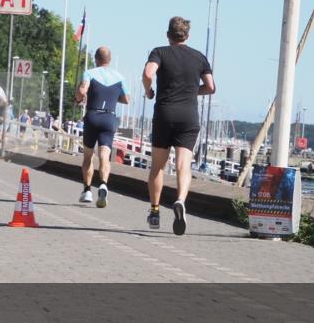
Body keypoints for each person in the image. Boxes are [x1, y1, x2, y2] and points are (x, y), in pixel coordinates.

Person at [142, 16, 215, 234]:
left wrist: (148, 91)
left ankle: (155, 211)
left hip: (165, 113)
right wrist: (193, 90)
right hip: (189, 117)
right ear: (187, 35)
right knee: (184, 165)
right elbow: (211, 87)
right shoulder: (199, 57)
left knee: (158, 166)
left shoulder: (160, 52)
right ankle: (181, 200)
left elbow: (148, 73)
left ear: (168, 35)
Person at [74, 47, 130, 207]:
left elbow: (82, 90)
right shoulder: (119, 77)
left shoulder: (90, 73)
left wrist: (79, 98)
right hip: (109, 118)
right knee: (104, 156)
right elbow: (126, 99)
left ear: (96, 59)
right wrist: (112, 97)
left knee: (88, 156)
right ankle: (104, 184)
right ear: (109, 59)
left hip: (92, 116)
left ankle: (87, 191)